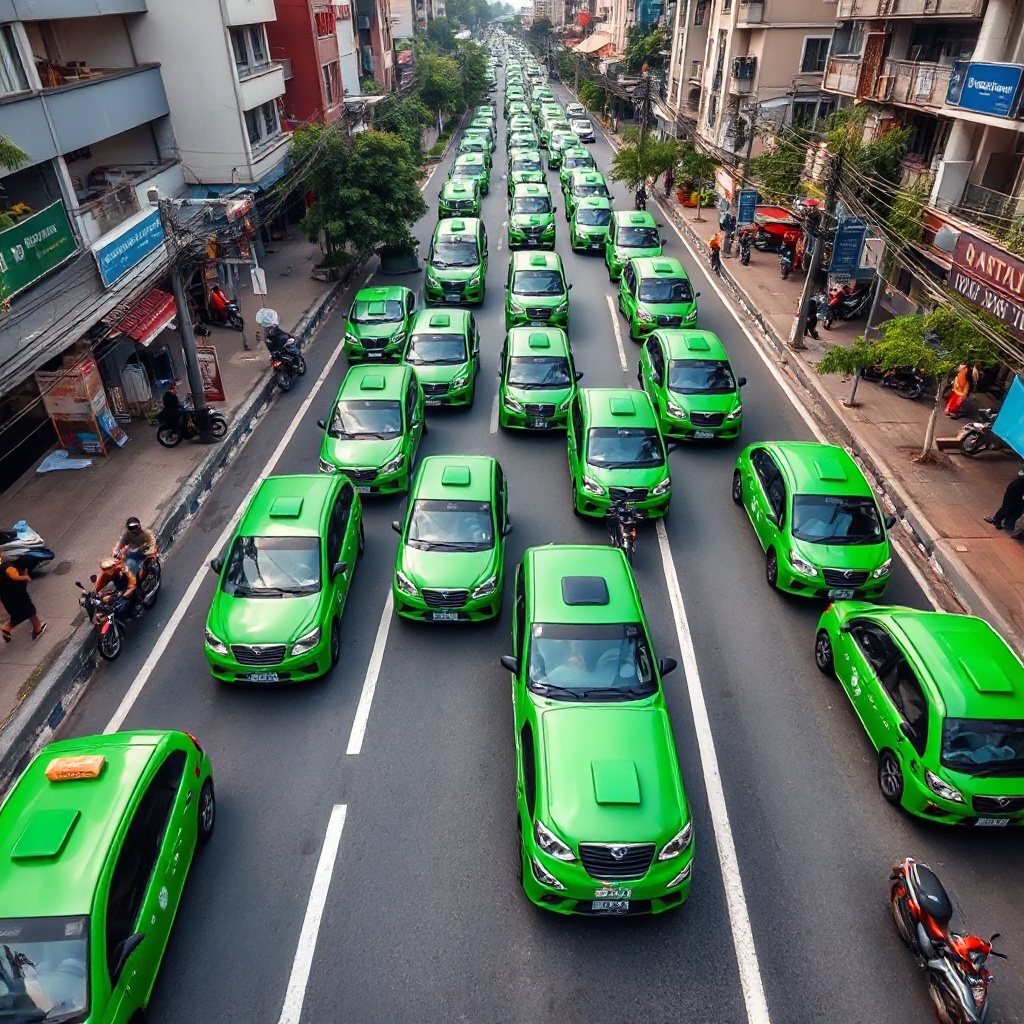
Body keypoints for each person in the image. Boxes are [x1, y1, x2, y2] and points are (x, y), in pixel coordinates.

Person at [0, 555, 46, 642]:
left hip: (6, 599)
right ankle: (37, 630)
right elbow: (14, 575)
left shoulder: (3, 567)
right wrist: (24, 577)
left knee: (17, 615)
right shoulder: (10, 568)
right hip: (18, 597)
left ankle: (7, 629)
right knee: (30, 611)